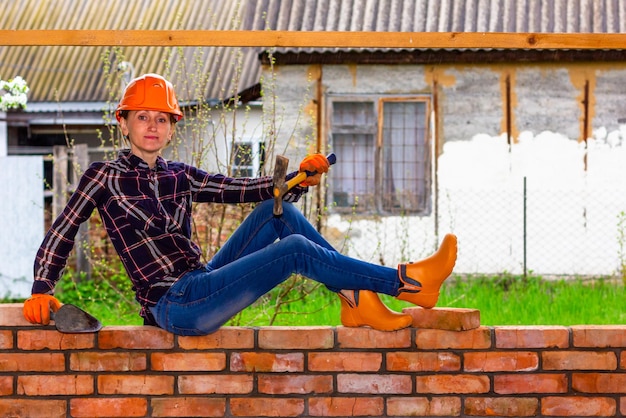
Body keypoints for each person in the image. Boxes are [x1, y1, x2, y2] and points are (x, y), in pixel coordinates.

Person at [23, 73, 458, 336]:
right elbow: (64, 229)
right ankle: (406, 283)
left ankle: (356, 301)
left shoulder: (181, 174)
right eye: (142, 117)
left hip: (201, 280)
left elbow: (243, 188)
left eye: (161, 119)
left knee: (281, 215)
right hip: (175, 305)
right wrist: (42, 287)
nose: (152, 127)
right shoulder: (104, 176)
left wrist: (297, 179)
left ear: (173, 126)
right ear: (123, 121)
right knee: (296, 252)